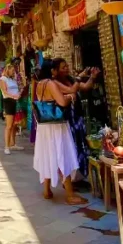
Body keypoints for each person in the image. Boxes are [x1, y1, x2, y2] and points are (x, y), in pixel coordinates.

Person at [32, 59, 85, 203]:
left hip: (44, 126)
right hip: (56, 125)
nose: (57, 71)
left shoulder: (40, 84)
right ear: (52, 70)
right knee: (63, 154)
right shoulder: (51, 83)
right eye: (56, 69)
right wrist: (70, 97)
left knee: (47, 155)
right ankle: (69, 195)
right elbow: (62, 101)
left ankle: (47, 190)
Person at [52, 58, 100, 184]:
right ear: (56, 71)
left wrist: (92, 77)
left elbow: (85, 87)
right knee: (70, 149)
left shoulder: (71, 79)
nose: (66, 68)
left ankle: (78, 177)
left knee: (80, 147)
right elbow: (72, 91)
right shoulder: (55, 83)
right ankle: (69, 179)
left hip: (77, 119)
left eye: (67, 66)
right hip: (67, 121)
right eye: (63, 67)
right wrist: (80, 77)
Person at [0, 62, 21, 154]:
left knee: (15, 125)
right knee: (9, 125)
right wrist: (13, 96)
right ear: (7, 70)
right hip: (8, 102)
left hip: (16, 101)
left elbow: (16, 89)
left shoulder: (13, 79)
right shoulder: (2, 79)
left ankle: (13, 144)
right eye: (12, 71)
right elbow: (4, 91)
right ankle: (6, 147)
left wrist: (18, 95)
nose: (13, 72)